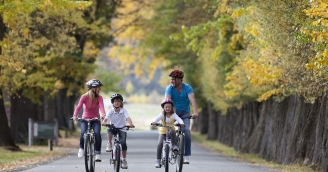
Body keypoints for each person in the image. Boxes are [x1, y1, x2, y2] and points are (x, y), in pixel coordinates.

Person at [165, 69, 199, 164]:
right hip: (173, 112)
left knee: (186, 130)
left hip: (185, 113)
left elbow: (193, 100)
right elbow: (167, 101)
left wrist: (195, 112)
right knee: (169, 128)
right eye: (171, 79)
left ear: (180, 80)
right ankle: (172, 146)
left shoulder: (187, 88)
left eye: (174, 79)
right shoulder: (169, 88)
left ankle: (186, 155)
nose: (171, 81)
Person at [72, 79, 106, 162]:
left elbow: (101, 107)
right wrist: (75, 116)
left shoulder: (99, 98)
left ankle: (97, 153)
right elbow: (78, 107)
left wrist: (103, 114)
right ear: (93, 88)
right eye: (98, 87)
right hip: (85, 119)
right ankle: (81, 148)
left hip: (95, 120)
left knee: (97, 133)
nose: (100, 89)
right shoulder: (84, 97)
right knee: (83, 132)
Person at [101, 93, 135, 169]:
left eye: (119, 101)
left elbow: (128, 118)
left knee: (123, 144)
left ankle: (124, 160)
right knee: (109, 129)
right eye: (115, 101)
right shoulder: (110, 111)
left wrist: (131, 124)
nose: (117, 102)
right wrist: (104, 122)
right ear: (113, 103)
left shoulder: (124, 111)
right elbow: (106, 118)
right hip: (113, 127)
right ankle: (109, 143)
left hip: (122, 128)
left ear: (121, 103)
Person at [151, 98, 185, 168]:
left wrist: (181, 123)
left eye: (169, 107)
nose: (167, 108)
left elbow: (179, 119)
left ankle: (174, 146)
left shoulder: (174, 114)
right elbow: (157, 119)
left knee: (173, 131)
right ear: (163, 107)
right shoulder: (162, 114)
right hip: (163, 132)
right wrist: (154, 122)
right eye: (166, 107)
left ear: (171, 107)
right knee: (160, 144)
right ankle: (158, 160)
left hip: (171, 131)